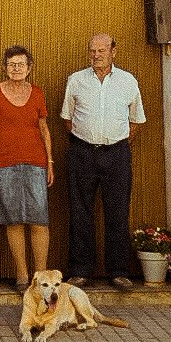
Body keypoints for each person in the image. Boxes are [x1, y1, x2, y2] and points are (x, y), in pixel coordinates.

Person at [61, 34, 146, 290]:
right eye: (92, 51)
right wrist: (88, 141)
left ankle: (118, 271)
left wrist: (115, 144)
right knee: (80, 212)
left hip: (117, 154)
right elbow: (68, 119)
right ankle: (80, 270)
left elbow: (136, 121)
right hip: (82, 153)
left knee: (117, 213)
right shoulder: (76, 81)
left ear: (113, 52)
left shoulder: (127, 81)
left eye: (101, 50)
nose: (96, 55)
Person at [0, 45, 54, 293]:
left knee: (38, 221)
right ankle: (22, 276)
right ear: (4, 67)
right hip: (4, 163)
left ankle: (41, 276)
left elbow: (44, 129)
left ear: (29, 68)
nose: (16, 69)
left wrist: (50, 163)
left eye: (21, 64)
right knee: (14, 221)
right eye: (12, 64)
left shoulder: (37, 93)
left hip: (35, 163)